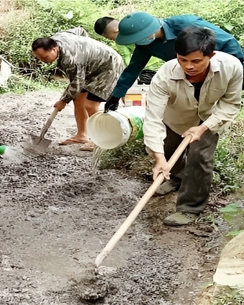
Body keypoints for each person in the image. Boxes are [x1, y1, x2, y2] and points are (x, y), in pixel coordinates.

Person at [143, 27, 243, 226]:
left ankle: (190, 208)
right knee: (168, 152)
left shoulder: (231, 67)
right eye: (182, 60)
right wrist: (159, 159)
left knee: (200, 158)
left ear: (210, 55)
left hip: (209, 118)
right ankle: (175, 178)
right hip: (175, 117)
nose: (188, 66)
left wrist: (204, 127)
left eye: (196, 61)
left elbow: (231, 103)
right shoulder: (165, 75)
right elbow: (152, 117)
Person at [104, 11, 244, 113]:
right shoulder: (145, 44)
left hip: (216, 68)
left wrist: (235, 70)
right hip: (189, 77)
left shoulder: (187, 24)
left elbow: (227, 42)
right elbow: (134, 68)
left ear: (148, 31)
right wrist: (117, 94)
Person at [31, 27, 125, 151]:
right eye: (39, 58)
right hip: (91, 67)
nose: (43, 60)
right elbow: (79, 30)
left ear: (54, 49)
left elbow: (76, 83)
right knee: (79, 99)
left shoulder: (71, 60)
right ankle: (82, 135)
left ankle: (101, 139)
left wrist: (63, 101)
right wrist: (86, 50)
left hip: (108, 67)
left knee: (90, 104)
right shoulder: (58, 38)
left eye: (45, 57)